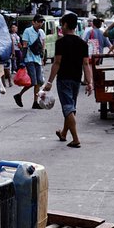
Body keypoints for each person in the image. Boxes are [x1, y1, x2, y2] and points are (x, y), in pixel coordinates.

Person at [42, 11, 93, 148]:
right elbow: (86, 64)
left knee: (68, 107)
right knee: (71, 107)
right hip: (76, 79)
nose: (61, 28)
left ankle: (76, 139)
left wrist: (49, 82)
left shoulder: (61, 42)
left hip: (64, 79)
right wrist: (89, 82)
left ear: (65, 25)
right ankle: (64, 133)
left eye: (61, 25)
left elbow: (57, 63)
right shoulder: (83, 44)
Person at [15, 15, 46, 108]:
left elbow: (43, 46)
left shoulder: (41, 32)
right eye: (38, 21)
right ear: (33, 22)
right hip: (29, 59)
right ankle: (22, 96)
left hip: (37, 59)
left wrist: (42, 57)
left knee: (39, 81)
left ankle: (33, 101)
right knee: (33, 82)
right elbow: (24, 46)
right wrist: (22, 61)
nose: (40, 24)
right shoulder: (27, 31)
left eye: (41, 22)